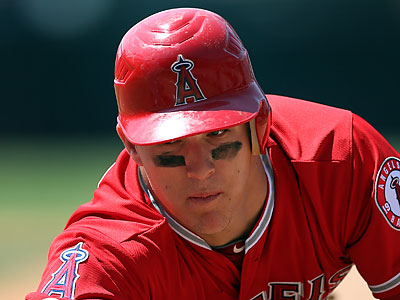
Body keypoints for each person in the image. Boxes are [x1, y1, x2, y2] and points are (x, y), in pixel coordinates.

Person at [26, 7, 400, 300]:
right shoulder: (109, 253)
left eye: (218, 139)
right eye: (170, 149)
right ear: (132, 147)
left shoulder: (342, 162)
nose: (200, 170)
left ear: (259, 126)